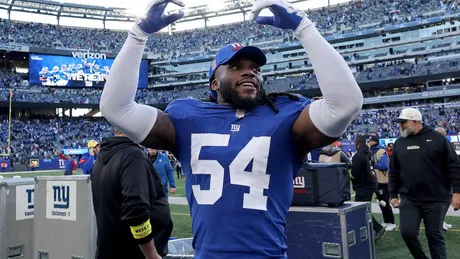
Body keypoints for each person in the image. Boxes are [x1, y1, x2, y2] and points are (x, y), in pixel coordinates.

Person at [98, 0, 363, 257]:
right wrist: (138, 34)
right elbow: (116, 108)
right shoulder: (187, 116)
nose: (249, 73)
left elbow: (345, 104)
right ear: (214, 83)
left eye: (255, 69)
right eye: (235, 67)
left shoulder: (285, 114)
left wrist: (304, 27)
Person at [91, 128, 173, 259]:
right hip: (132, 252)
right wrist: (151, 254)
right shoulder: (132, 155)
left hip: (111, 249)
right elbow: (136, 210)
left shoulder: (103, 158)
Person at [389, 108, 460, 259]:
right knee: (407, 233)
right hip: (409, 198)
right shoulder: (399, 143)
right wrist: (393, 194)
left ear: (415, 121)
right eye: (400, 122)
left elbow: (454, 166)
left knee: (434, 235)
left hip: (436, 197)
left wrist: (457, 192)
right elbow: (394, 170)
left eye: (403, 122)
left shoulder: (438, 139)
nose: (400, 126)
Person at [350, 135, 386, 241]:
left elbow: (354, 173)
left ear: (357, 144)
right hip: (371, 183)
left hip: (364, 185)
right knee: (362, 209)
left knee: (360, 210)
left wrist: (348, 175)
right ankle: (368, 229)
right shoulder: (369, 153)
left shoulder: (358, 155)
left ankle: (377, 228)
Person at [368, 135, 396, 231]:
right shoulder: (371, 151)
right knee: (380, 202)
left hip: (382, 180)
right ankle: (386, 221)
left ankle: (392, 222)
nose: (369, 142)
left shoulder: (381, 151)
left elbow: (384, 165)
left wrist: (372, 163)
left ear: (373, 141)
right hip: (376, 180)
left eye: (370, 141)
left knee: (385, 202)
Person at [434, 127, 454, 231]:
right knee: (440, 202)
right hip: (438, 180)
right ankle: (438, 222)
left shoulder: (444, 145)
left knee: (447, 199)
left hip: (446, 178)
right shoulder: (434, 146)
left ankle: (441, 220)